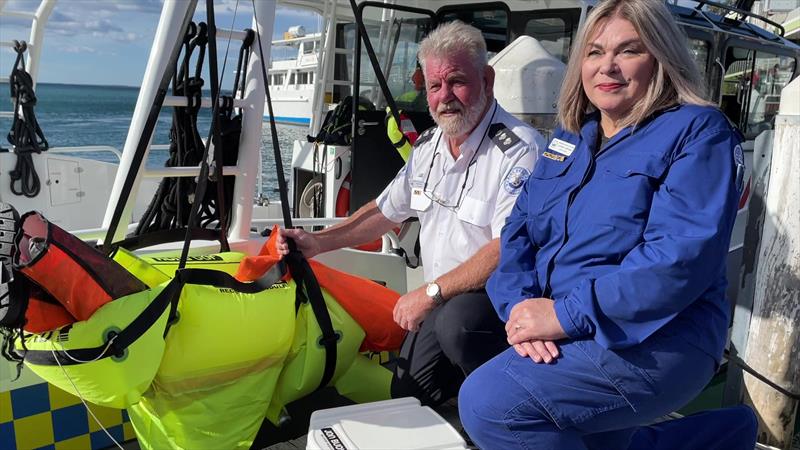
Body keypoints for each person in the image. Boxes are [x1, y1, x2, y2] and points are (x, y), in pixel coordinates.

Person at [458, 0, 746, 448]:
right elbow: (518, 231)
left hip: (660, 337)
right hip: (562, 324)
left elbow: (675, 261)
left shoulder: (697, 132)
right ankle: (722, 437)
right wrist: (519, 307)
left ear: (662, 58)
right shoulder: (572, 136)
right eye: (594, 52)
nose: (607, 66)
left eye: (628, 51)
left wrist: (563, 316)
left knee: (490, 405)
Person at [276, 20, 544, 406]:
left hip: (496, 303)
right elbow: (385, 211)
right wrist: (317, 242)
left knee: (460, 327)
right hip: (443, 301)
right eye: (435, 86)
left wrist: (429, 293)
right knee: (409, 395)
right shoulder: (430, 147)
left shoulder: (520, 150)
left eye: (457, 81)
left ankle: (514, 405)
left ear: (486, 79)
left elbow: (506, 246)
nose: (445, 96)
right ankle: (467, 393)